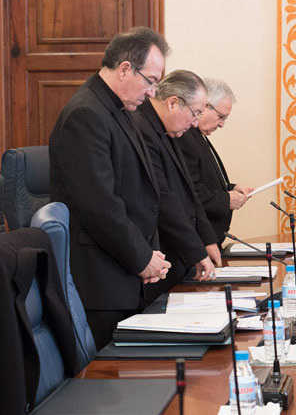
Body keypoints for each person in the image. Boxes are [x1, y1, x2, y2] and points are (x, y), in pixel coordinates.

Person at [49, 27, 171, 347]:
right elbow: (99, 205)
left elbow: (142, 193)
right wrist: (142, 258)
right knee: (113, 387)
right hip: (102, 283)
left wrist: (150, 256)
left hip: (126, 273)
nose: (152, 92)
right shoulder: (86, 114)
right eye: (151, 81)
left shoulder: (118, 109)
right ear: (125, 69)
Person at [132, 70, 220, 298]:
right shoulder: (142, 128)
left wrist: (206, 238)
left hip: (177, 254)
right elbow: (164, 197)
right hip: (156, 257)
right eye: (195, 113)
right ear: (173, 103)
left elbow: (187, 190)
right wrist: (196, 251)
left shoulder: (166, 128)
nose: (194, 123)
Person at [176, 78, 253, 251]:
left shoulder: (198, 136)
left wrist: (231, 188)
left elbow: (206, 181)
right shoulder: (185, 136)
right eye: (220, 117)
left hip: (210, 239)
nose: (222, 124)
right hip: (199, 243)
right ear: (205, 105)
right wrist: (227, 199)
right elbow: (190, 192)